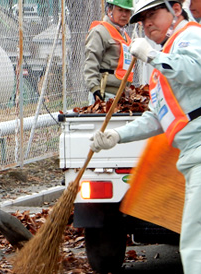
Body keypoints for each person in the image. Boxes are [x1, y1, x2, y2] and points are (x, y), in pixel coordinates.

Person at [89, 1, 201, 273]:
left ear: (175, 9)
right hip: (191, 155)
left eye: (154, 14)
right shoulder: (166, 54)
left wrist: (153, 57)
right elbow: (157, 116)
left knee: (194, 241)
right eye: (142, 19)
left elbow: (196, 72)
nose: (147, 23)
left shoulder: (190, 36)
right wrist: (117, 135)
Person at [84, 0, 134, 103]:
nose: (124, 14)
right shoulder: (99, 31)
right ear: (110, 10)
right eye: (120, 10)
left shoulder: (125, 37)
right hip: (104, 95)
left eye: (127, 11)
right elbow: (91, 62)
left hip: (122, 96)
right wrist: (95, 89)